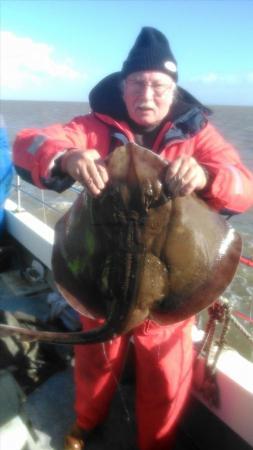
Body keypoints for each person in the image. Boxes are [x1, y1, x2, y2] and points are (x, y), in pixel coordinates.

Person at [13, 27, 253, 450]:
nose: (147, 93)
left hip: (167, 293)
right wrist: (66, 156)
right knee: (95, 361)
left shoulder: (198, 136)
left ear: (174, 90)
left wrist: (208, 174)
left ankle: (154, 444)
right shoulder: (92, 127)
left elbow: (243, 184)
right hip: (100, 281)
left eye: (158, 85)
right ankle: (86, 421)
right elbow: (27, 143)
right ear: (122, 88)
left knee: (165, 376)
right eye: (136, 83)